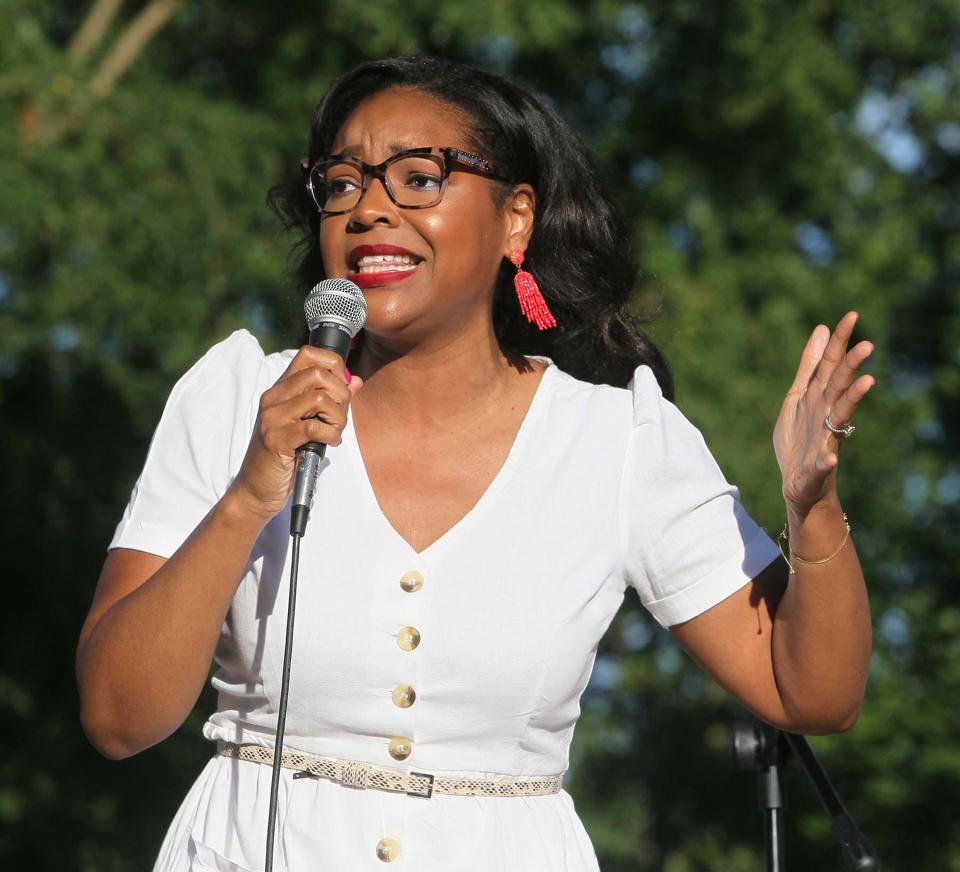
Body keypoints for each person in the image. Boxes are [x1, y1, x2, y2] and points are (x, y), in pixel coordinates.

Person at [76, 56, 874, 871]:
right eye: (343, 183)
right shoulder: (239, 396)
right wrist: (249, 494)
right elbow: (118, 715)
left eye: (419, 178)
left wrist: (811, 508)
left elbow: (813, 692)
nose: (370, 210)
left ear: (516, 219)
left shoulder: (616, 440)